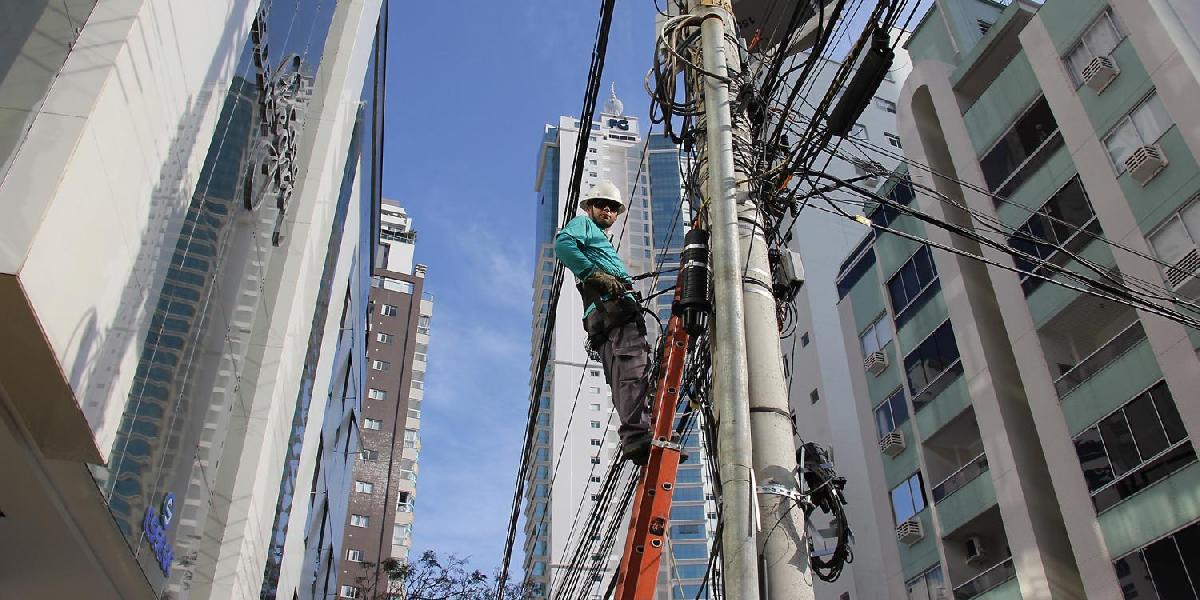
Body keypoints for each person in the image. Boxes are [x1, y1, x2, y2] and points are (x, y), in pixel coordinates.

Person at [554, 181, 653, 465]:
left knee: (623, 375)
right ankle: (637, 432)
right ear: (589, 207)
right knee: (634, 369)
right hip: (614, 312)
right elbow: (563, 244)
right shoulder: (584, 226)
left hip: (603, 319)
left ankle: (636, 434)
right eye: (601, 205)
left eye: (612, 208)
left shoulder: (601, 241)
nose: (607, 211)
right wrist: (595, 274)